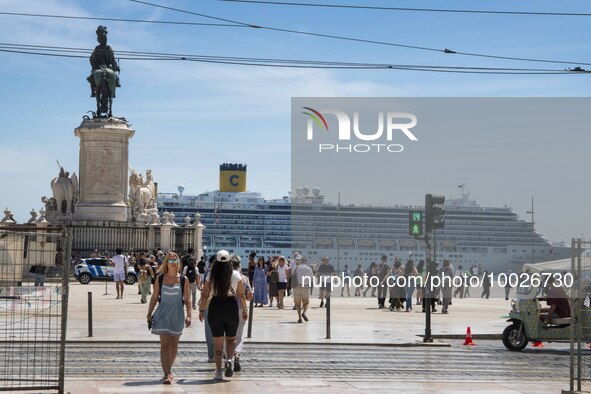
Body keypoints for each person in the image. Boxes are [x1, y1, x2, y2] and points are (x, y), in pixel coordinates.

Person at [198, 250, 247, 381]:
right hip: (231, 306)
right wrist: (245, 310)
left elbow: (205, 294)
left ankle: (218, 371)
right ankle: (230, 359)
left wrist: (202, 309)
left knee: (217, 342)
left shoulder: (211, 275)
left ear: (217, 261)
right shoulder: (236, 274)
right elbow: (241, 295)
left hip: (216, 306)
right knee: (231, 339)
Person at [146, 251, 191, 384]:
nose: (172, 262)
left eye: (175, 260)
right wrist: (149, 313)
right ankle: (167, 374)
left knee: (174, 346)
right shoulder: (160, 278)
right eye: (170, 260)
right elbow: (155, 296)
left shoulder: (183, 279)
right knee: (165, 345)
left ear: (178, 263)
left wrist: (189, 315)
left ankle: (169, 369)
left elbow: (188, 299)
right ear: (166, 263)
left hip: (177, 314)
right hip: (163, 313)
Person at [231, 255, 253, 372]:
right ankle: (237, 356)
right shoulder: (244, 278)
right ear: (239, 264)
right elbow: (249, 295)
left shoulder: (225, 277)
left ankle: (228, 358)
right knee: (239, 335)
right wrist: (245, 309)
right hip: (240, 308)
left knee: (227, 336)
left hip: (227, 308)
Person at [87, 25, 120, 99]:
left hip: (98, 67)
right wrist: (116, 68)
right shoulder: (109, 48)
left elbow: (91, 59)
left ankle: (93, 91)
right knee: (115, 77)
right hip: (108, 67)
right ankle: (114, 89)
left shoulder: (97, 48)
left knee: (92, 77)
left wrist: (95, 65)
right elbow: (113, 60)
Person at [292, 257, 314, 323]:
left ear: (301, 261)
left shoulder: (296, 268)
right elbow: (311, 279)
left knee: (297, 304)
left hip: (297, 287)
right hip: (305, 287)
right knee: (306, 303)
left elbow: (292, 276)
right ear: (306, 261)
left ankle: (299, 318)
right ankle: (304, 313)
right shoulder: (309, 269)